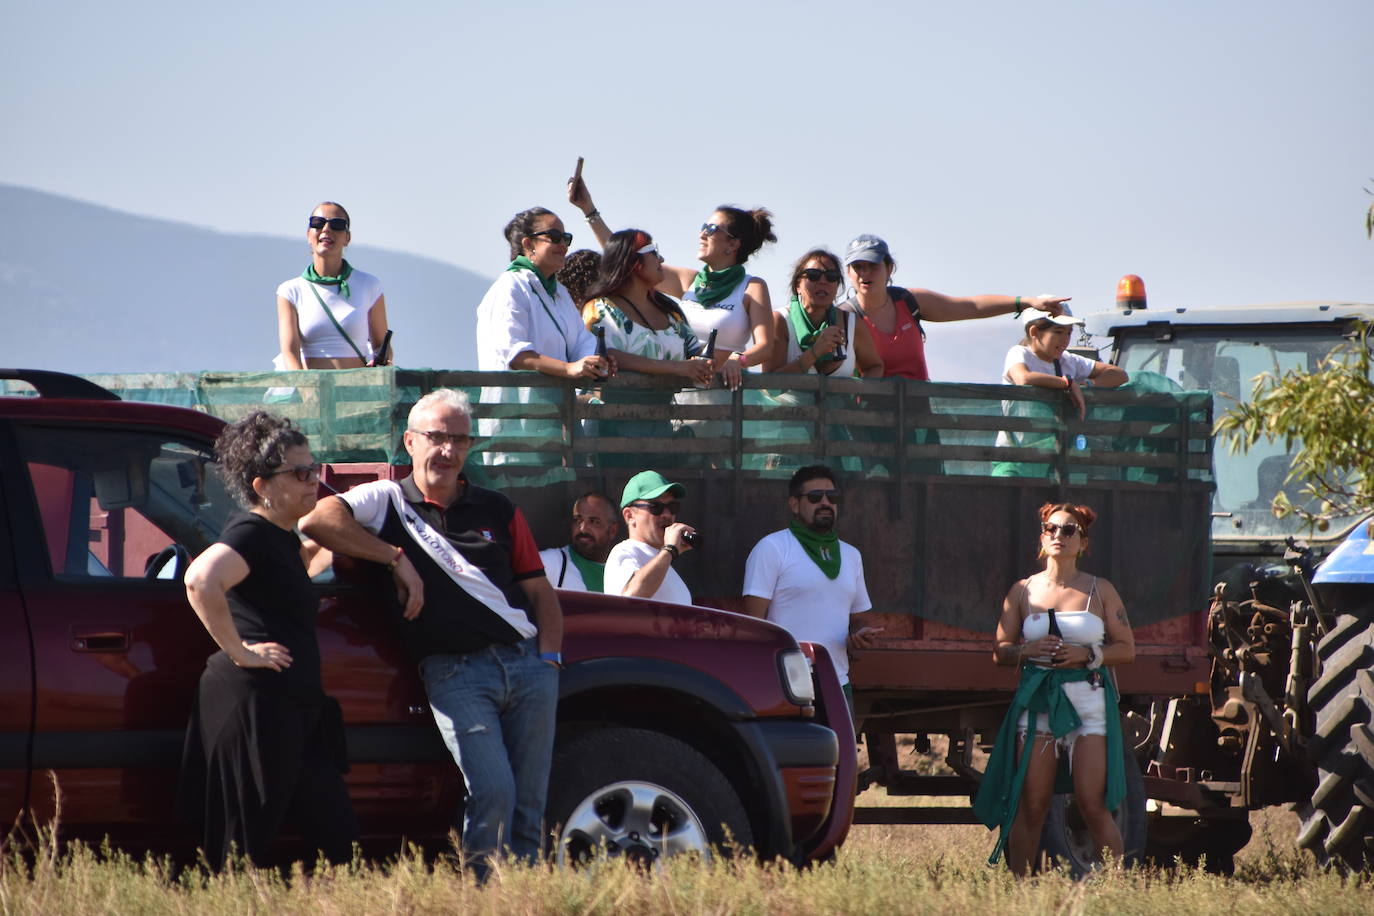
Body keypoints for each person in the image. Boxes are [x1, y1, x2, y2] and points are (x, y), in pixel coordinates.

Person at [298, 388, 562, 880]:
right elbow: (318, 519)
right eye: (437, 437)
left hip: (528, 666)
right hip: (454, 671)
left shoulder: (498, 508)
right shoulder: (387, 499)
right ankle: (484, 895)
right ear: (410, 442)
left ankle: (526, 898)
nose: (448, 450)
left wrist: (549, 661)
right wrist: (394, 557)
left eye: (459, 440)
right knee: (494, 790)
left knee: (529, 802)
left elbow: (541, 592)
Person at [178, 411, 357, 869]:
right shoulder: (252, 533)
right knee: (239, 846)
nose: (311, 480)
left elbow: (285, 585)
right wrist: (238, 651)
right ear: (261, 486)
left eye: (313, 469)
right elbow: (200, 579)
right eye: (299, 473)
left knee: (337, 838)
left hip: (293, 711)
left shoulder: (279, 538)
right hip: (256, 705)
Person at [973, 503, 1136, 876]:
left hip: (1088, 702)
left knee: (1091, 803)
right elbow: (1000, 651)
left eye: (1069, 530)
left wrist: (1088, 653)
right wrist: (1025, 650)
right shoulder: (1022, 591)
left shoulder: (1100, 589)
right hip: (1039, 701)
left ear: (1083, 542)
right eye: (1051, 529)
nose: (1059, 536)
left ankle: (1115, 887)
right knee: (1032, 803)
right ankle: (1022, 891)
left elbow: (1126, 649)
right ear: (1042, 538)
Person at [569, 174, 772, 389]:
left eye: (712, 229)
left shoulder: (752, 287)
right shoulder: (689, 280)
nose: (702, 233)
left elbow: (766, 347)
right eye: (703, 226)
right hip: (681, 392)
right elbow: (627, 255)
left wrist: (738, 360)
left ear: (733, 244)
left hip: (722, 391)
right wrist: (589, 210)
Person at [741, 466, 881, 716]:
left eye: (832, 497)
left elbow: (858, 618)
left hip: (838, 684)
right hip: (787, 685)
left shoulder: (851, 555)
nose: (826, 503)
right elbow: (752, 625)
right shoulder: (772, 548)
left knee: (841, 756)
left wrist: (859, 635)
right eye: (815, 497)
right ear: (794, 504)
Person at [839, 234, 1068, 380]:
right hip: (866, 424)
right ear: (848, 273)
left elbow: (971, 306)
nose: (864, 274)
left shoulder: (909, 302)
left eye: (872, 266)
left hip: (917, 419)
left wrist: (1026, 302)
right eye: (857, 267)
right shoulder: (844, 316)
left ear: (889, 269)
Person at [475, 206, 610, 380]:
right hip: (516, 404)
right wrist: (568, 368)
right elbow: (514, 353)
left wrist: (595, 361)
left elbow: (582, 343)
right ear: (529, 244)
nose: (563, 245)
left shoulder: (560, 292)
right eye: (554, 237)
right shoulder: (510, 286)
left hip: (557, 403)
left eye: (565, 238)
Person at [993, 309, 1129, 477]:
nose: (1065, 340)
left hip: (1055, 460)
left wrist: (1087, 384)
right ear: (1034, 332)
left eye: (1069, 333)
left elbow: (1120, 375)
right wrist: (1068, 384)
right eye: (1058, 332)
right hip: (1014, 459)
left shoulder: (1068, 360)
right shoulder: (1019, 353)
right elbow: (1023, 378)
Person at [582, 230, 714, 386]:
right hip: (609, 408)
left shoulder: (670, 312)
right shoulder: (599, 309)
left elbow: (695, 354)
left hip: (666, 409)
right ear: (633, 261)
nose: (661, 259)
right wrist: (676, 367)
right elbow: (605, 355)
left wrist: (731, 361)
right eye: (654, 252)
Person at [276, 202, 391, 370]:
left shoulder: (369, 285)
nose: (326, 229)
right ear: (308, 235)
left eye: (337, 224)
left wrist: (380, 359)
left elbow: (381, 345)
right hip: (312, 391)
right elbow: (290, 352)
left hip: (359, 390)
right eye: (318, 223)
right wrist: (307, 393)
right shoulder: (290, 291)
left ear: (347, 238)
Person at [765, 249, 883, 378]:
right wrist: (815, 352)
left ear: (837, 285)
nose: (823, 281)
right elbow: (769, 387)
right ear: (798, 285)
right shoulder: (779, 321)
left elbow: (874, 367)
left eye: (831, 276)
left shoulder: (852, 323)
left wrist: (857, 394)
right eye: (813, 275)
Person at [603, 470, 698, 604]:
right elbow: (630, 598)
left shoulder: (664, 562)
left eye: (672, 507)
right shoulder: (624, 551)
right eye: (656, 507)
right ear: (630, 516)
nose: (667, 514)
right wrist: (669, 550)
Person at [538, 491, 621, 592]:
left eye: (594, 522)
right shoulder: (550, 562)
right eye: (578, 520)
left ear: (613, 531)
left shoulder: (623, 571)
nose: (583, 529)